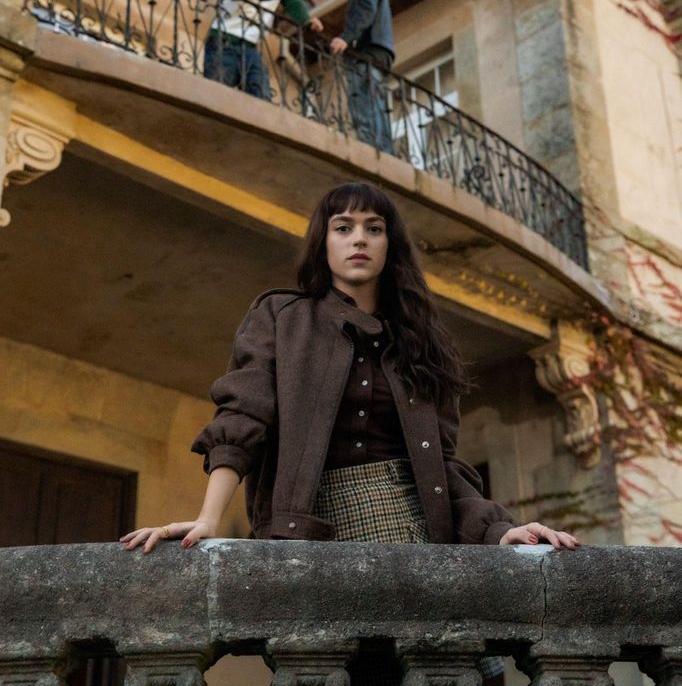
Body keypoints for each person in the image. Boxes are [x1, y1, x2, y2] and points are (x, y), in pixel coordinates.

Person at [122, 182, 579, 685]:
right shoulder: (281, 317)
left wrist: (498, 530)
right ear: (324, 242)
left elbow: (443, 464)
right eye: (343, 228)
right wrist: (209, 518)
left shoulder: (422, 342)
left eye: (373, 228)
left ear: (390, 245)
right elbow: (243, 418)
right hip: (318, 533)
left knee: (456, 673)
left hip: (422, 535)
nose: (358, 239)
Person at [331, 0, 394, 154]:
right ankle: (385, 153)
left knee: (365, 108)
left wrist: (346, 38)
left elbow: (365, 8)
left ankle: (372, 153)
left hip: (368, 52)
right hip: (379, 51)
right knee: (375, 106)